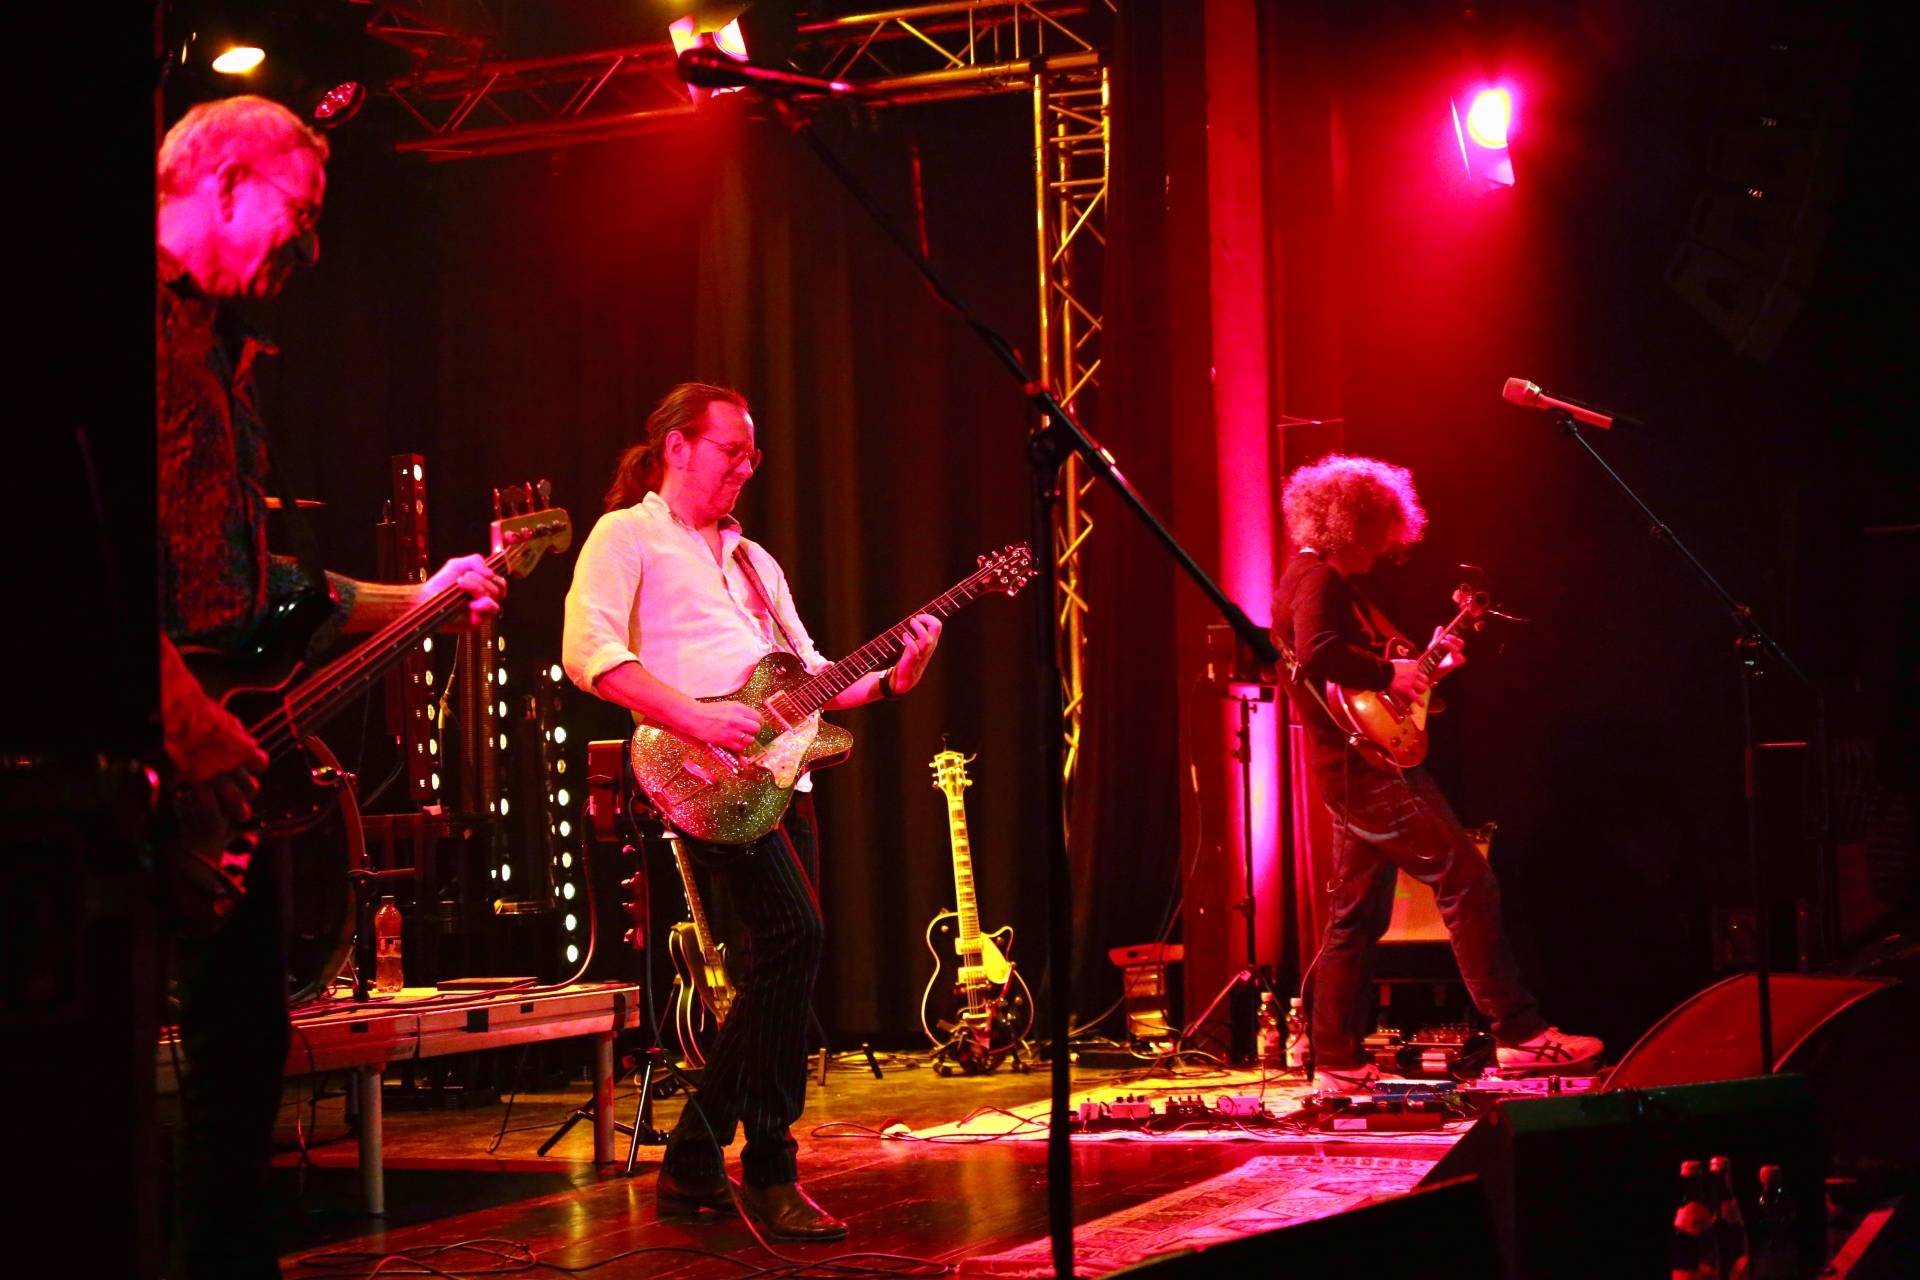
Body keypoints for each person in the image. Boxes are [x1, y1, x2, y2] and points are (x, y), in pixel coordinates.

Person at [156, 95, 506, 1278]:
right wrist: (184, 717)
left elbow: (262, 585)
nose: (306, 249)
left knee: (243, 1047)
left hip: (211, 753)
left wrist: (422, 594)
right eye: (297, 215)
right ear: (225, 183)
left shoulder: (219, 349)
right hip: (151, 754)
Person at [562, 382, 941, 1241]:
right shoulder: (626, 536)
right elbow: (588, 653)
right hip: (702, 772)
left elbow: (811, 673)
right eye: (731, 450)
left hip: (782, 777)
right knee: (795, 939)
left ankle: (697, 1156)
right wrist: (696, 719)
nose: (745, 467)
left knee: (785, 965)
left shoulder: (755, 562)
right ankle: (770, 1170)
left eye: (752, 454)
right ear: (677, 447)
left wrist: (891, 680)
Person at [1271, 453, 1601, 1091]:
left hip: (1347, 767)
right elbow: (1319, 656)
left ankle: (1337, 1061)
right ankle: (1520, 1035)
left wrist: (1421, 671)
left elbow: (1354, 679)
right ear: (1355, 523)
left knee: (1355, 919)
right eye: (1380, 529)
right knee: (1467, 880)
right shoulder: (1320, 580)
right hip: (1371, 770)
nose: (1387, 545)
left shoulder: (1306, 578)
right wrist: (1387, 671)